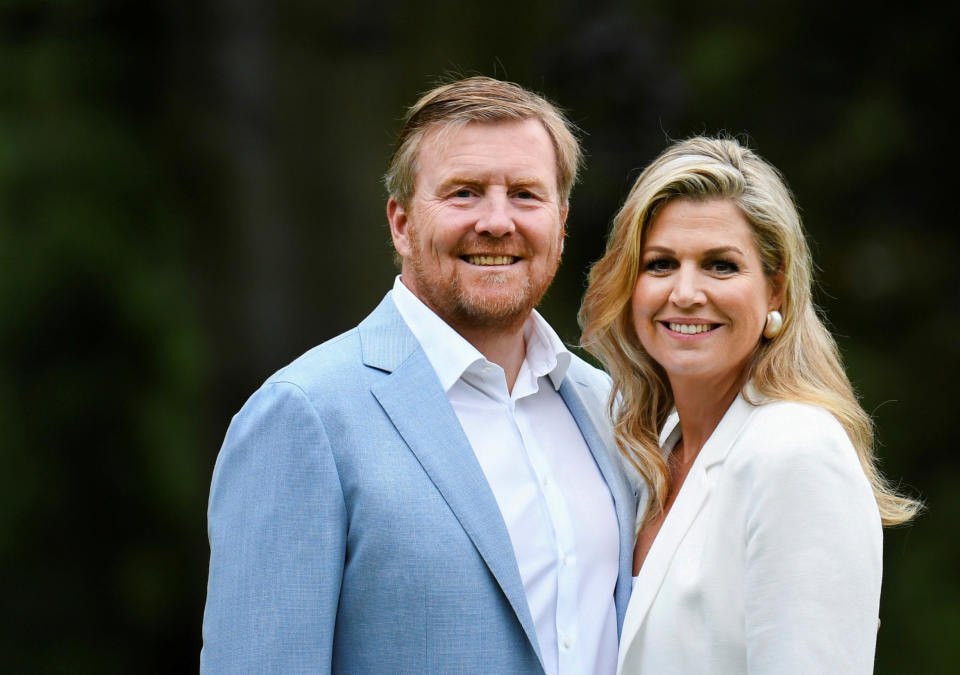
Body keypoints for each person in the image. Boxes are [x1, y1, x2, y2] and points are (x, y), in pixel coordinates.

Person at [200, 76, 637, 674]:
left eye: (526, 195)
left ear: (561, 223)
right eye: (463, 193)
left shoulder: (608, 408)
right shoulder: (303, 416)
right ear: (401, 223)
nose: (497, 221)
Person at [579, 136, 921, 674]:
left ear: (776, 292)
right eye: (661, 264)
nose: (686, 292)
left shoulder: (797, 451)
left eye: (720, 266)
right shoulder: (646, 456)